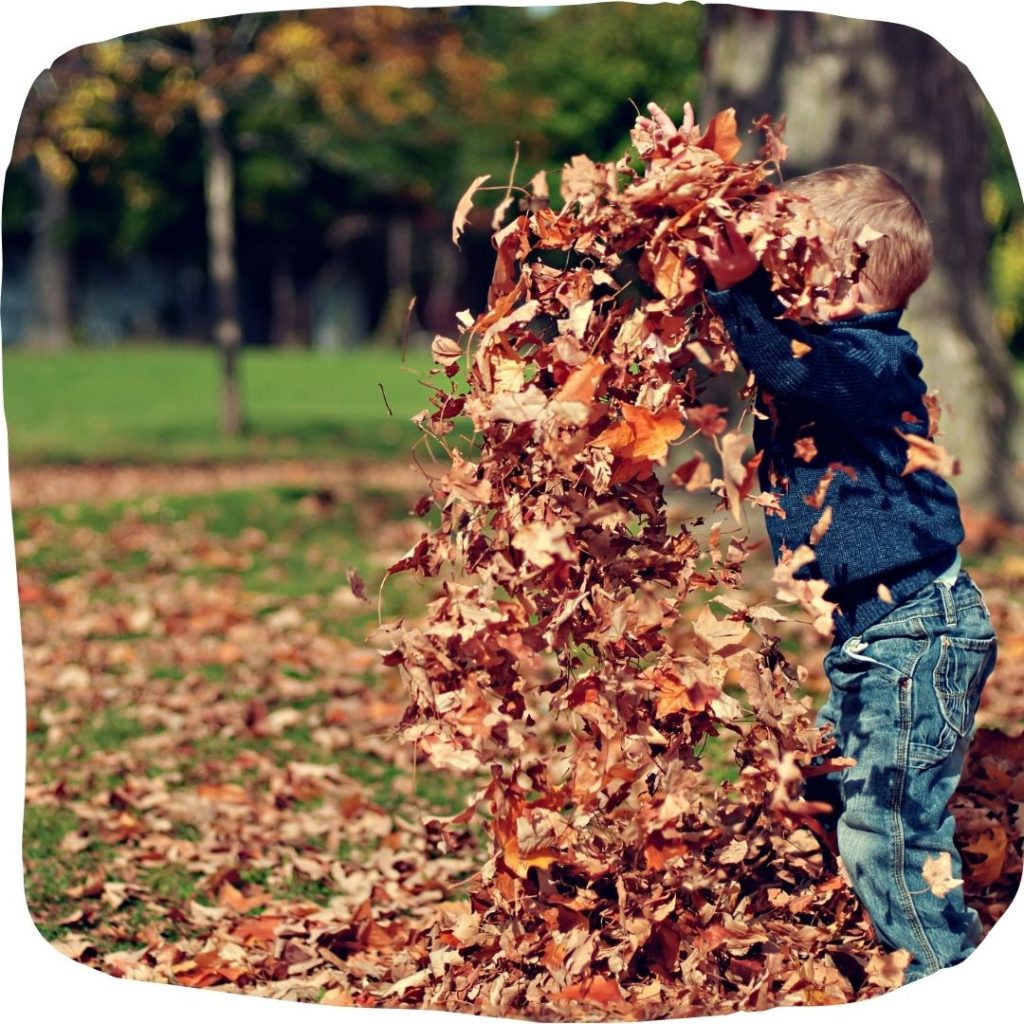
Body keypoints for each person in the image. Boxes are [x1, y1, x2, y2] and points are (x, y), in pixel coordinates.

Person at [641, 104, 999, 984]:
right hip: (877, 637)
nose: (774, 278)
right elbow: (784, 364)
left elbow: (795, 366)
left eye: (790, 263)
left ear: (841, 280)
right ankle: (861, 924)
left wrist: (739, 291)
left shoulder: (872, 361)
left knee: (891, 827)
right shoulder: (831, 355)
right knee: (836, 786)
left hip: (918, 635)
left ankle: (948, 978)